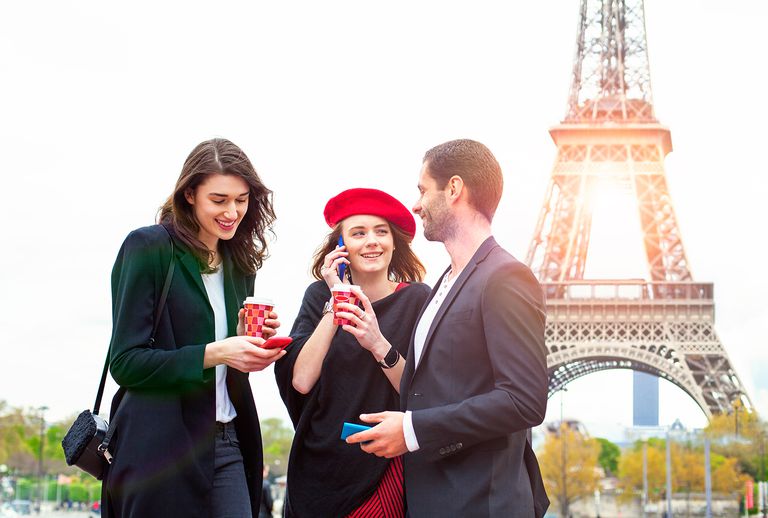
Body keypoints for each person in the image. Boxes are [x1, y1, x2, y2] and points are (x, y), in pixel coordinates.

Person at [347, 140, 550, 517]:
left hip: (479, 502)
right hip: (435, 499)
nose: (416, 204)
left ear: (454, 189)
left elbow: (524, 400)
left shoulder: (505, 277)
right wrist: (379, 345)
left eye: (423, 190)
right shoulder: (444, 282)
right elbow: (437, 390)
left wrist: (412, 430)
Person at [102, 138, 285, 517]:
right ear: (189, 194)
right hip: (161, 448)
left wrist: (249, 345)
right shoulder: (148, 247)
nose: (232, 211)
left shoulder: (240, 262)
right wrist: (217, 351)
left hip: (229, 440)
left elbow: (228, 363)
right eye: (219, 200)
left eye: (242, 199)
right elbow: (127, 362)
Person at [274, 188, 431, 517]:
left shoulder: (417, 300)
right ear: (341, 247)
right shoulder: (319, 297)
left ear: (393, 241)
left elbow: (422, 393)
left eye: (381, 231)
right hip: (318, 470)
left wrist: (378, 343)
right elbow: (301, 380)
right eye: (359, 233)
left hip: (383, 467)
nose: (372, 241)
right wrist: (338, 300)